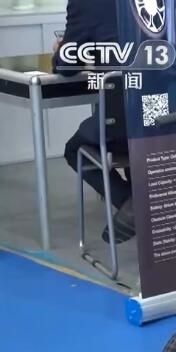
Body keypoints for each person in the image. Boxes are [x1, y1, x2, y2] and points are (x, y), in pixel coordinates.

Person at [53, 0, 135, 244]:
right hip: (173, 118)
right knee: (138, 141)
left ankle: (134, 203)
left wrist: (61, 50)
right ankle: (142, 201)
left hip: (123, 122)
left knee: (75, 149)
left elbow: (66, 65)